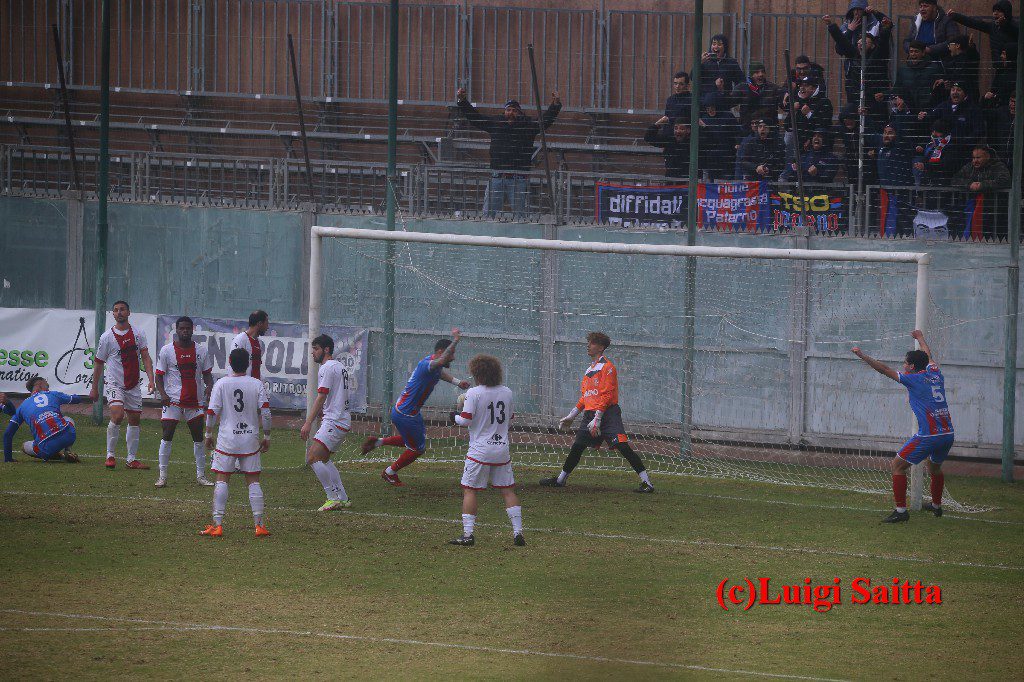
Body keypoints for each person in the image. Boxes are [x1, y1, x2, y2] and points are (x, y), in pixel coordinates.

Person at [851, 330, 952, 523]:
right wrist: (920, 338)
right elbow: (928, 355)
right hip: (948, 433)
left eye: (906, 363)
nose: (903, 366)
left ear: (912, 367)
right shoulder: (935, 373)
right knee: (934, 467)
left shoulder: (912, 379)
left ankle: (900, 512)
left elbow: (883, 369)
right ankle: (937, 506)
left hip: (929, 435)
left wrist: (862, 355)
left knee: (897, 466)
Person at [540, 332, 653, 492]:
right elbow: (585, 397)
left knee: (622, 446)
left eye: (592, 343)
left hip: (608, 414)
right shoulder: (589, 370)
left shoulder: (608, 367)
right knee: (578, 446)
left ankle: (647, 483)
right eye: (589, 342)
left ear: (601, 347)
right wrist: (572, 416)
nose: (588, 345)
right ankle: (560, 480)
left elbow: (607, 395)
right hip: (590, 415)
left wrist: (598, 417)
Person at [361, 328, 470, 486]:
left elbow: (440, 372)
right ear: (441, 352)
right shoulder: (429, 363)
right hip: (406, 415)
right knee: (417, 449)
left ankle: (378, 442)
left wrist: (458, 382)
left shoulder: (432, 364)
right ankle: (389, 472)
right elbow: (439, 364)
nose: (453, 358)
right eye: (451, 354)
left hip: (408, 412)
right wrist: (456, 340)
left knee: (414, 441)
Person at [448, 354, 524, 547]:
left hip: (480, 451)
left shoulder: (474, 393)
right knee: (508, 490)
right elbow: (511, 419)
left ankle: (468, 535)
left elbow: (465, 420)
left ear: (477, 373)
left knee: (470, 490)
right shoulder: (507, 392)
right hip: (501, 449)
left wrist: (453, 417)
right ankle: (518, 533)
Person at [456, 88, 561, 219]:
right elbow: (475, 118)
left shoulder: (527, 125)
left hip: (518, 179)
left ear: (519, 113)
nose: (511, 113)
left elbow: (546, 120)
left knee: (521, 217)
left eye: (514, 110)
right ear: (504, 111)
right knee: (488, 216)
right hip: (497, 177)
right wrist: (462, 101)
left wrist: (555, 104)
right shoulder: (496, 123)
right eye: (508, 110)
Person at [200, 348, 271, 538]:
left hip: (227, 440)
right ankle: (259, 525)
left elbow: (212, 412)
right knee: (253, 481)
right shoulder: (257, 384)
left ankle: (218, 524)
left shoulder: (221, 384)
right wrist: (268, 436)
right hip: (250, 439)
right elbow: (265, 412)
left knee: (222, 479)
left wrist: (208, 433)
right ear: (248, 363)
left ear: (229, 361)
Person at [89, 300, 155, 470]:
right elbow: (98, 364)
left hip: (133, 385)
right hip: (114, 384)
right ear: (113, 314)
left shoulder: (138, 334)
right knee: (117, 416)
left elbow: (146, 357)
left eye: (122, 309)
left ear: (128, 312)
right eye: (116, 310)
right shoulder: (106, 338)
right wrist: (94, 387)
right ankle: (110, 455)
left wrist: (151, 379)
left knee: (134, 420)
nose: (119, 312)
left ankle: (131, 459)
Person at [154, 316, 215, 488]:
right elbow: (158, 376)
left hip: (194, 401)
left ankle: (201, 476)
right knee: (166, 435)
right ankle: (162, 476)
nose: (185, 331)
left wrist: (210, 386)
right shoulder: (167, 351)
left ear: (192, 329)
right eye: (182, 328)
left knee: (198, 438)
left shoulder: (201, 351)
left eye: (188, 328)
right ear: (177, 330)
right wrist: (163, 394)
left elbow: (207, 375)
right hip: (172, 401)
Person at [300, 334, 353, 511]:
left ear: (326, 349)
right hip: (341, 420)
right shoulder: (340, 366)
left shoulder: (327, 367)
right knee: (324, 459)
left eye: (316, 349)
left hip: (335, 421)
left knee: (313, 457)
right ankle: (343, 498)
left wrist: (308, 422)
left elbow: (321, 397)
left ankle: (332, 497)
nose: (313, 353)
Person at [3, 377, 82, 463]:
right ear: (39, 385)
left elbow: (7, 434)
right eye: (47, 386)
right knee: (68, 419)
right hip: (68, 436)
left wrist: (8, 459)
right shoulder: (52, 394)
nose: (48, 388)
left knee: (24, 446)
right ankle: (68, 450)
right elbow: (76, 399)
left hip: (45, 447)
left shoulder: (22, 407)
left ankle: (57, 456)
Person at [824, 13, 892, 106]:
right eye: (859, 41)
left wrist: (886, 28)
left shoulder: (877, 56)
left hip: (875, 98)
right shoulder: (853, 54)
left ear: (872, 46)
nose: (860, 43)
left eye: (864, 41)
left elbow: (883, 42)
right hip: (855, 97)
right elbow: (841, 40)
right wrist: (831, 25)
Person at [952, 145, 1012, 240]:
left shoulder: (998, 166)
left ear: (987, 156)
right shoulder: (969, 167)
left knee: (993, 236)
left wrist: (982, 185)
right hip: (973, 207)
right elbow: (955, 179)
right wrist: (969, 184)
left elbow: (1005, 180)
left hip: (994, 209)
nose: (975, 161)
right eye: (973, 158)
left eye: (978, 158)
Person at [945, 1, 1018, 63]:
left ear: (1006, 13)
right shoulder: (992, 27)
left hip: (1013, 68)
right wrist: (955, 16)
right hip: (999, 67)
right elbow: (973, 22)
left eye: (999, 11)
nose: (995, 13)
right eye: (994, 11)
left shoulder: (1015, 27)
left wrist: (1005, 25)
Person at [698, 91, 742, 181]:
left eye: (712, 107)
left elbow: (738, 132)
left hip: (727, 156)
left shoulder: (727, 116)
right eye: (707, 108)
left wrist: (738, 143)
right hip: (710, 159)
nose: (710, 110)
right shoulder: (703, 119)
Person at [732, 61, 783, 129]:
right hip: (748, 131)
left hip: (770, 131)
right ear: (751, 75)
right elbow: (729, 103)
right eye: (757, 72)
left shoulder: (773, 89)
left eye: (762, 72)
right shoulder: (742, 88)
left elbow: (785, 103)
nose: (761, 74)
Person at [232, 310, 269, 380]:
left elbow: (256, 367)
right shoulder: (240, 340)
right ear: (260, 323)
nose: (268, 327)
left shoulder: (260, 343)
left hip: (255, 386)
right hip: (243, 386)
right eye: (266, 324)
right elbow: (233, 365)